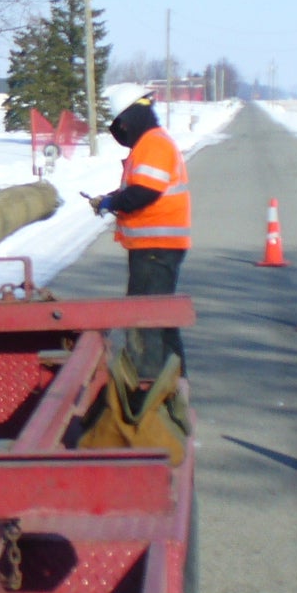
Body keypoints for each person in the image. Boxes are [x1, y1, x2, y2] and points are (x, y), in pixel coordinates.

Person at [88, 85, 191, 382]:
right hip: (154, 247)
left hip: (156, 247)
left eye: (120, 123)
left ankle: (148, 387)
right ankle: (174, 383)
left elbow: (145, 192)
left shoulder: (153, 144)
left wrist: (113, 202)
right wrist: (110, 198)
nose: (119, 130)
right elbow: (136, 189)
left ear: (131, 117)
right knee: (162, 317)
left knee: (144, 319)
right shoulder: (149, 143)